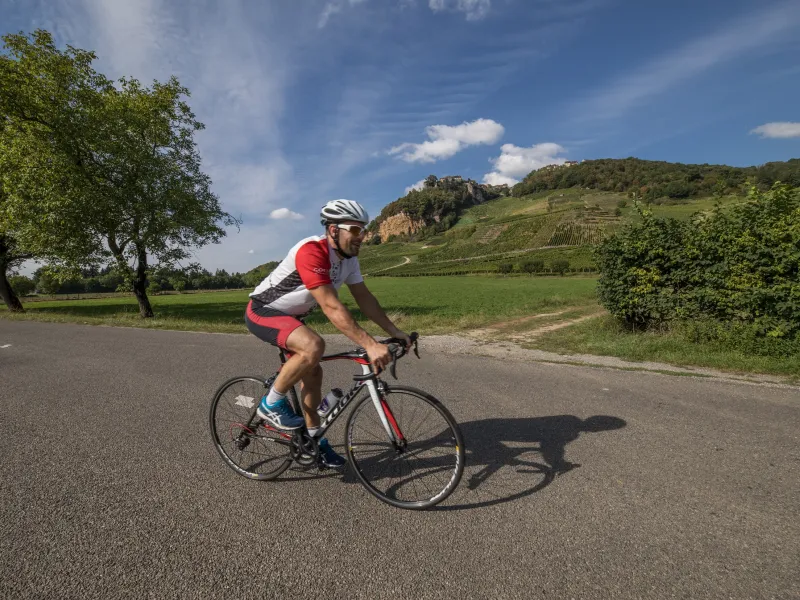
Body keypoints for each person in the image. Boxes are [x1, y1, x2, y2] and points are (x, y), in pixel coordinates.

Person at [244, 199, 411, 468]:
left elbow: (364, 298)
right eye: (355, 230)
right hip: (263, 311)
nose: (362, 237)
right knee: (313, 346)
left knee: (313, 376)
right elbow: (331, 305)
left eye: (364, 230)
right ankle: (271, 403)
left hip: (291, 319)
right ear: (334, 230)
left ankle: (315, 442)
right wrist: (369, 344)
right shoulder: (312, 251)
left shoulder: (349, 260)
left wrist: (394, 331)